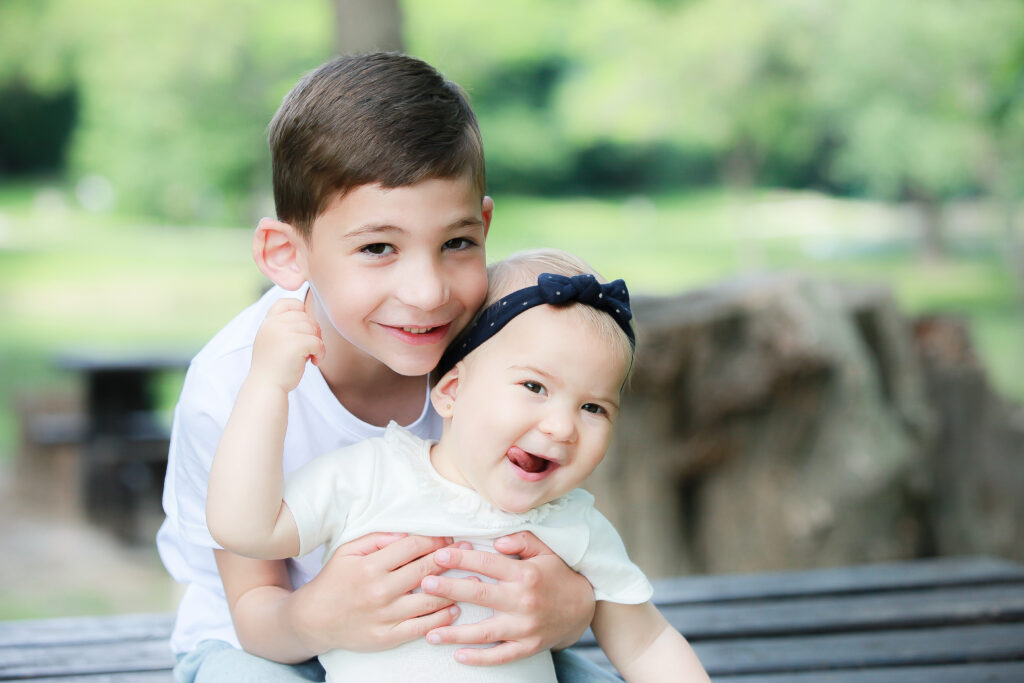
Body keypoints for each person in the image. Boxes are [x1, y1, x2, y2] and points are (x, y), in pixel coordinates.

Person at [157, 53, 609, 682]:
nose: (427, 293)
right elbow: (254, 613)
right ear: (287, 253)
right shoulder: (235, 385)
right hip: (272, 646)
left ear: (484, 226)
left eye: (455, 243)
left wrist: (568, 608)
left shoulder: (497, 348)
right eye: (377, 248)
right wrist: (321, 619)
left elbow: (556, 528)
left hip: (457, 642)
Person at [207, 249, 711, 682]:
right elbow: (242, 528)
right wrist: (267, 386)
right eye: (535, 387)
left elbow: (646, 646)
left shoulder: (572, 526)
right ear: (452, 391)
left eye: (593, 407)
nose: (563, 427)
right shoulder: (368, 478)